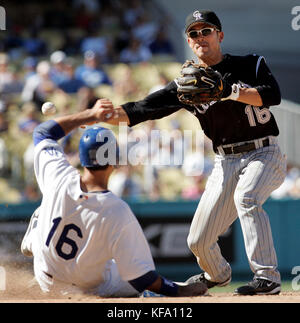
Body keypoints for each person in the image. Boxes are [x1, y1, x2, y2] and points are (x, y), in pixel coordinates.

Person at [99, 10, 287, 295]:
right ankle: (217, 274)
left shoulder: (250, 64)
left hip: (264, 152)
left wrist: (229, 90)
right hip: (225, 160)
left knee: (246, 197)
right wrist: (108, 114)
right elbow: (144, 108)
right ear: (188, 41)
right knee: (198, 240)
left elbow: (273, 95)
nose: (201, 37)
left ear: (220, 35)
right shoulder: (188, 84)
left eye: (206, 30)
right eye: (194, 33)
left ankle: (267, 277)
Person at [20, 100, 207, 298]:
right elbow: (141, 278)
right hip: (84, 290)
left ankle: (34, 236)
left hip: (43, 274)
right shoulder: (117, 211)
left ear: (81, 158)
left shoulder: (58, 175)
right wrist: (178, 290)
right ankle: (163, 292)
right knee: (132, 280)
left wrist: (90, 115)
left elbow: (43, 132)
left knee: (46, 208)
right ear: (114, 161)